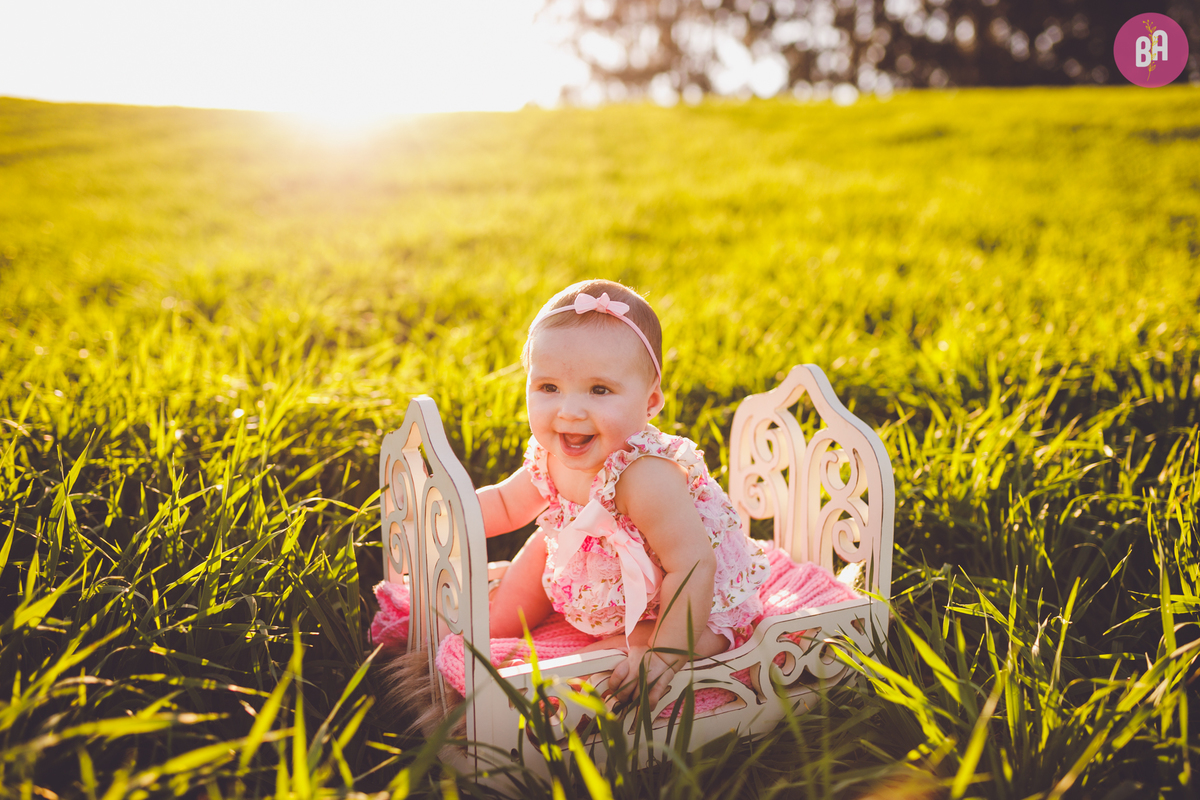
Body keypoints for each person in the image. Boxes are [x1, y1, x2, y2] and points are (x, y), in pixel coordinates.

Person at [476, 279, 770, 707]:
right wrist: (451, 515)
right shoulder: (549, 455)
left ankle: (610, 664)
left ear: (650, 402)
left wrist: (666, 655)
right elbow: (505, 504)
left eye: (599, 390)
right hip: (598, 567)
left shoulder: (645, 476)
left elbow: (691, 567)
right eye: (548, 387)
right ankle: (491, 630)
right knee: (542, 545)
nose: (570, 410)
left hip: (677, 592)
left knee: (628, 652)